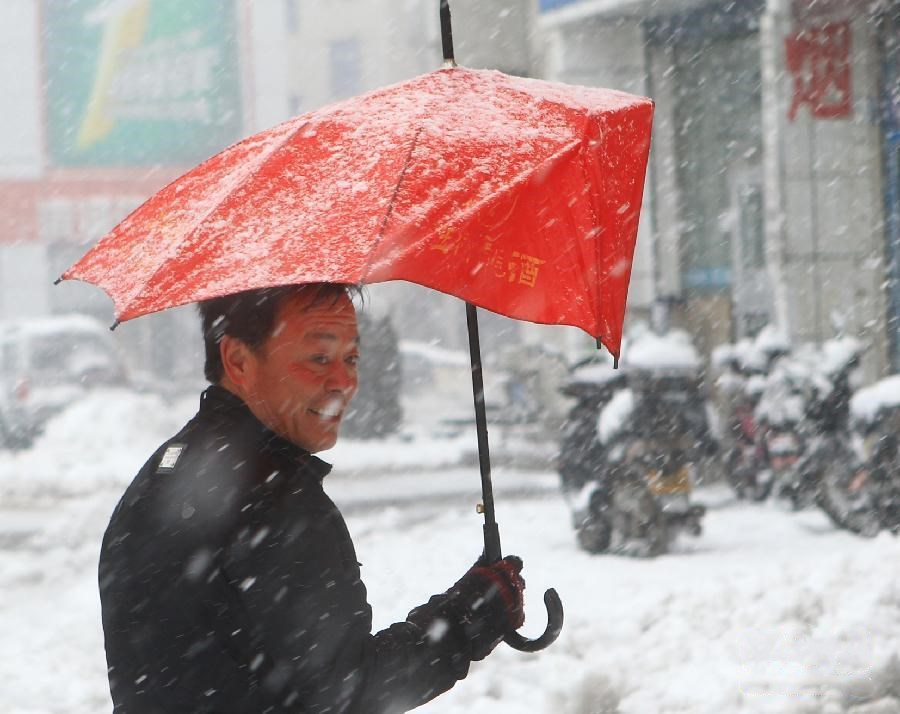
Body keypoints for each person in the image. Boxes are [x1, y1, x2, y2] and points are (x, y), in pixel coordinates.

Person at [98, 283, 526, 714]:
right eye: (319, 359)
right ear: (238, 360)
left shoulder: (164, 471)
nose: (344, 382)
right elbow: (347, 694)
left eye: (351, 358)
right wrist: (470, 616)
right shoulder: (273, 500)